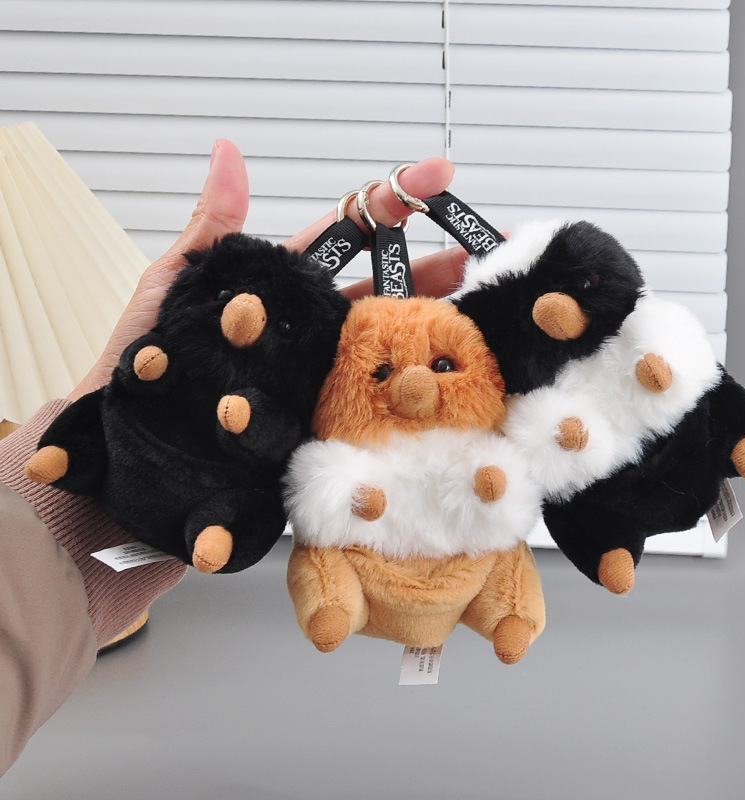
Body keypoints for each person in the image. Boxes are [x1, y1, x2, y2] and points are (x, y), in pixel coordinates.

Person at [0, 141, 467, 775]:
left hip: (208, 499)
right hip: (119, 461)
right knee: (90, 424)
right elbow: (136, 377)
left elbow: (271, 439)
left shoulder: (287, 403)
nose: (242, 313)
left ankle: (210, 533)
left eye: (286, 329)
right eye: (224, 292)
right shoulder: (177, 346)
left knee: (242, 508)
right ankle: (66, 463)